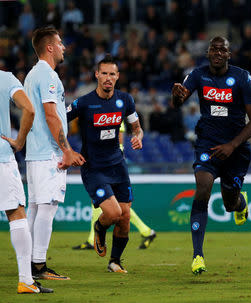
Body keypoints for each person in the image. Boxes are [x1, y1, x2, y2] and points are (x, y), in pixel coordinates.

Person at [171, 36, 251, 275]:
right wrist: (176, 97)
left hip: (236, 148)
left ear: (229, 54)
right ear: (208, 53)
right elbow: (178, 103)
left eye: (223, 49)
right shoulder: (198, 75)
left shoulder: (243, 78)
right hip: (208, 145)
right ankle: (197, 255)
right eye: (214, 49)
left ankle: (240, 203)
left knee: (229, 203)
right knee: (202, 187)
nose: (218, 53)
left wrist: (232, 145)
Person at [67, 54, 143, 273]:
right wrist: (68, 150)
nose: (108, 78)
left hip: (118, 165)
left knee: (125, 216)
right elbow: (59, 121)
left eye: (112, 74)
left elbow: (136, 127)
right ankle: (99, 227)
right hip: (94, 167)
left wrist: (138, 136)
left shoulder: (125, 100)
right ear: (97, 75)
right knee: (112, 213)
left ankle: (115, 262)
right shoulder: (84, 103)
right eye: (104, 74)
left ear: (117, 76)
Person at [25, 26, 85, 281]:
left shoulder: (32, 75)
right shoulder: (48, 76)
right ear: (49, 47)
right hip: (48, 154)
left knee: (36, 208)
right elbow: (51, 115)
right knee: (47, 208)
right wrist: (67, 150)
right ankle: (38, 266)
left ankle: (27, 262)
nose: (63, 47)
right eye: (59, 43)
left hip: (34, 153)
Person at [1, 70, 53, 294]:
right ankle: (26, 280)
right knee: (16, 214)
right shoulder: (5, 78)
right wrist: (19, 141)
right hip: (1, 158)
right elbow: (30, 109)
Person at [72, 121, 156, 250]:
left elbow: (120, 143)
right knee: (108, 203)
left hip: (112, 165)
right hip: (106, 163)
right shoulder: (105, 113)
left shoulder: (115, 114)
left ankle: (92, 239)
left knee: (113, 204)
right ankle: (146, 231)